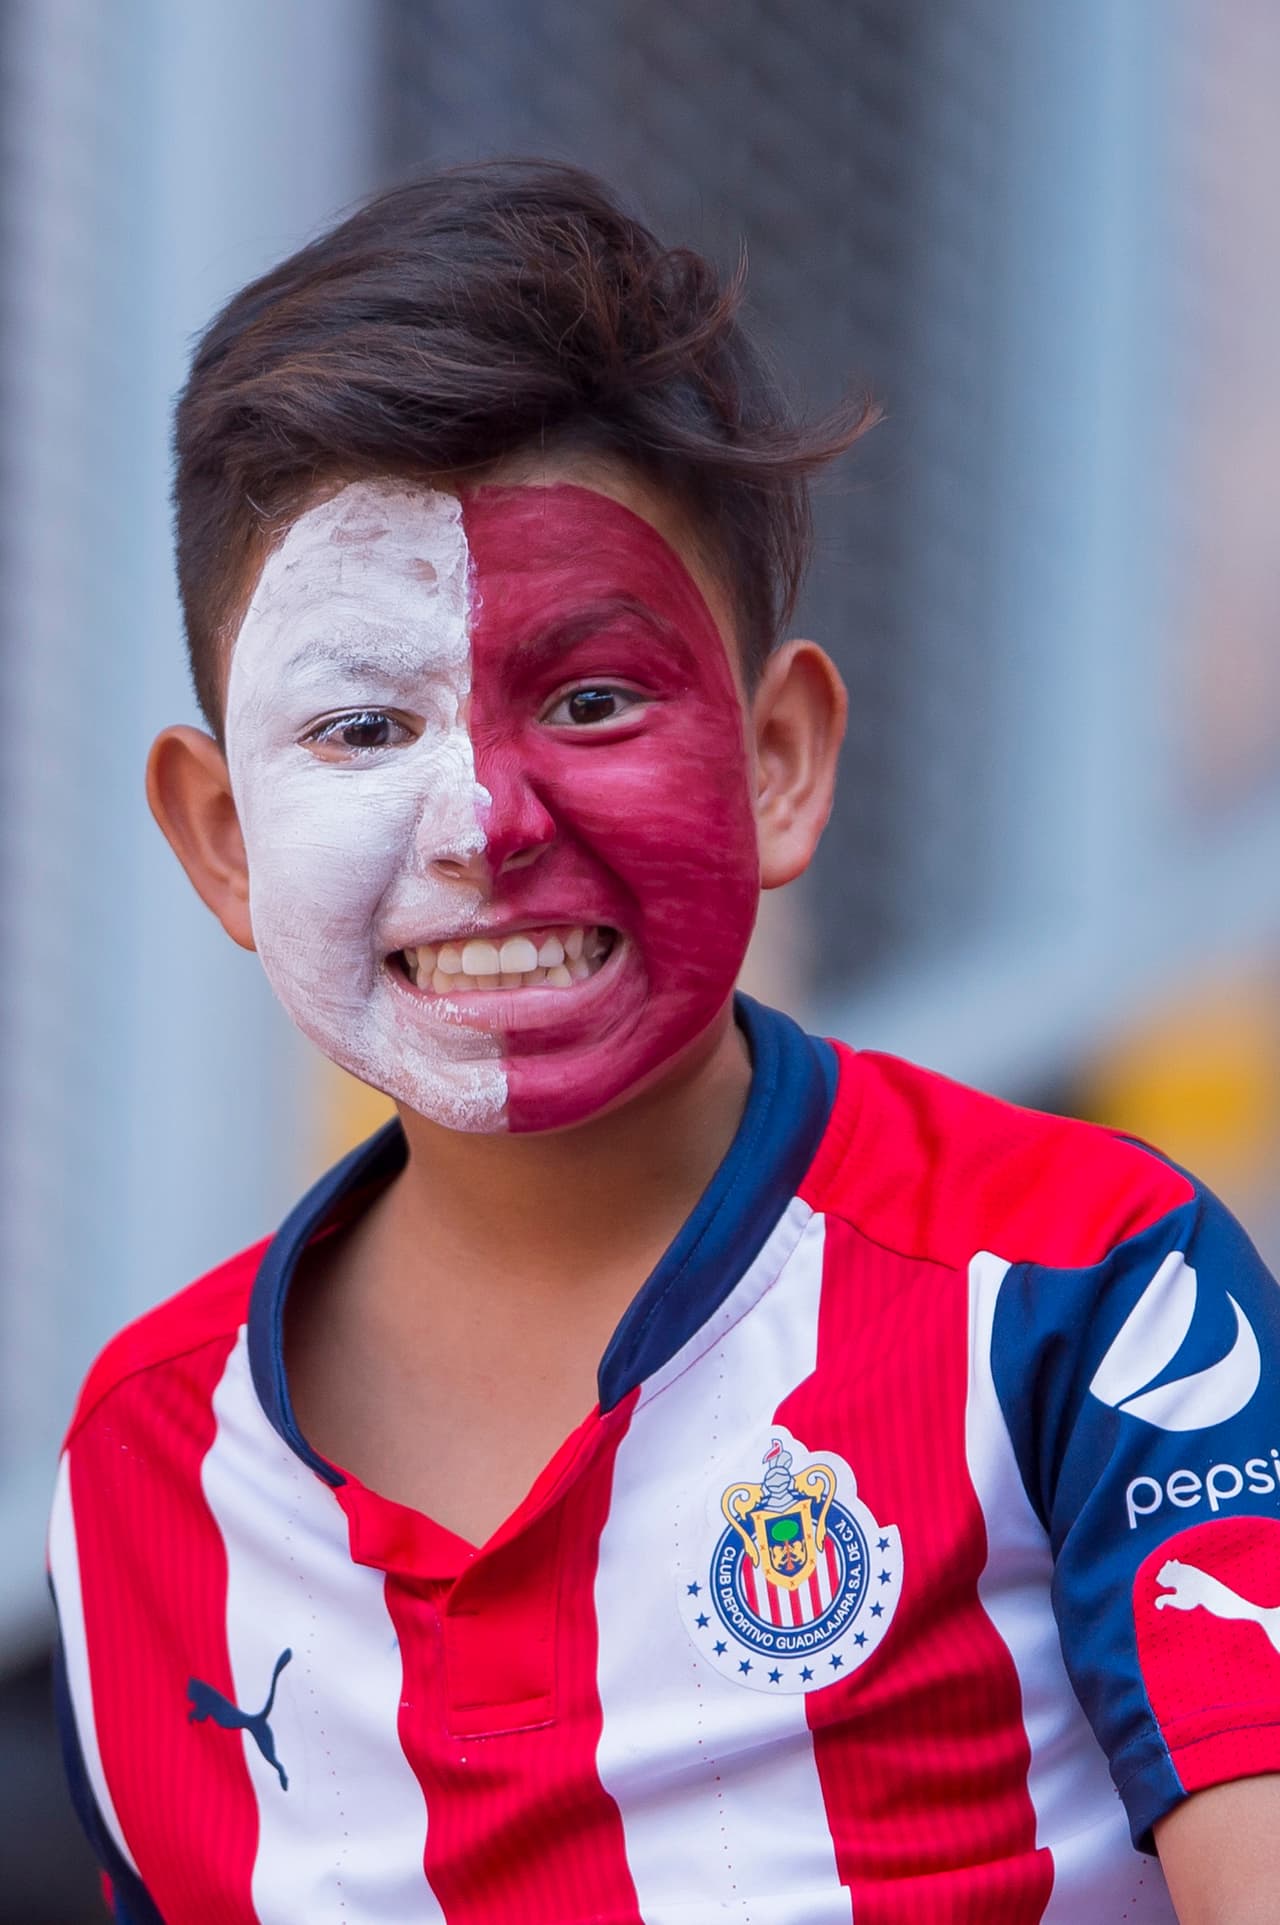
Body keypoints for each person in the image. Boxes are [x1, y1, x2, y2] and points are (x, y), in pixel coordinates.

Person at [48, 160, 1280, 1925]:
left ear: (778, 758)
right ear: (223, 836)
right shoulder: (142, 1468)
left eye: (592, 697)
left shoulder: (1090, 1293)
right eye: (364, 720)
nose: (483, 814)